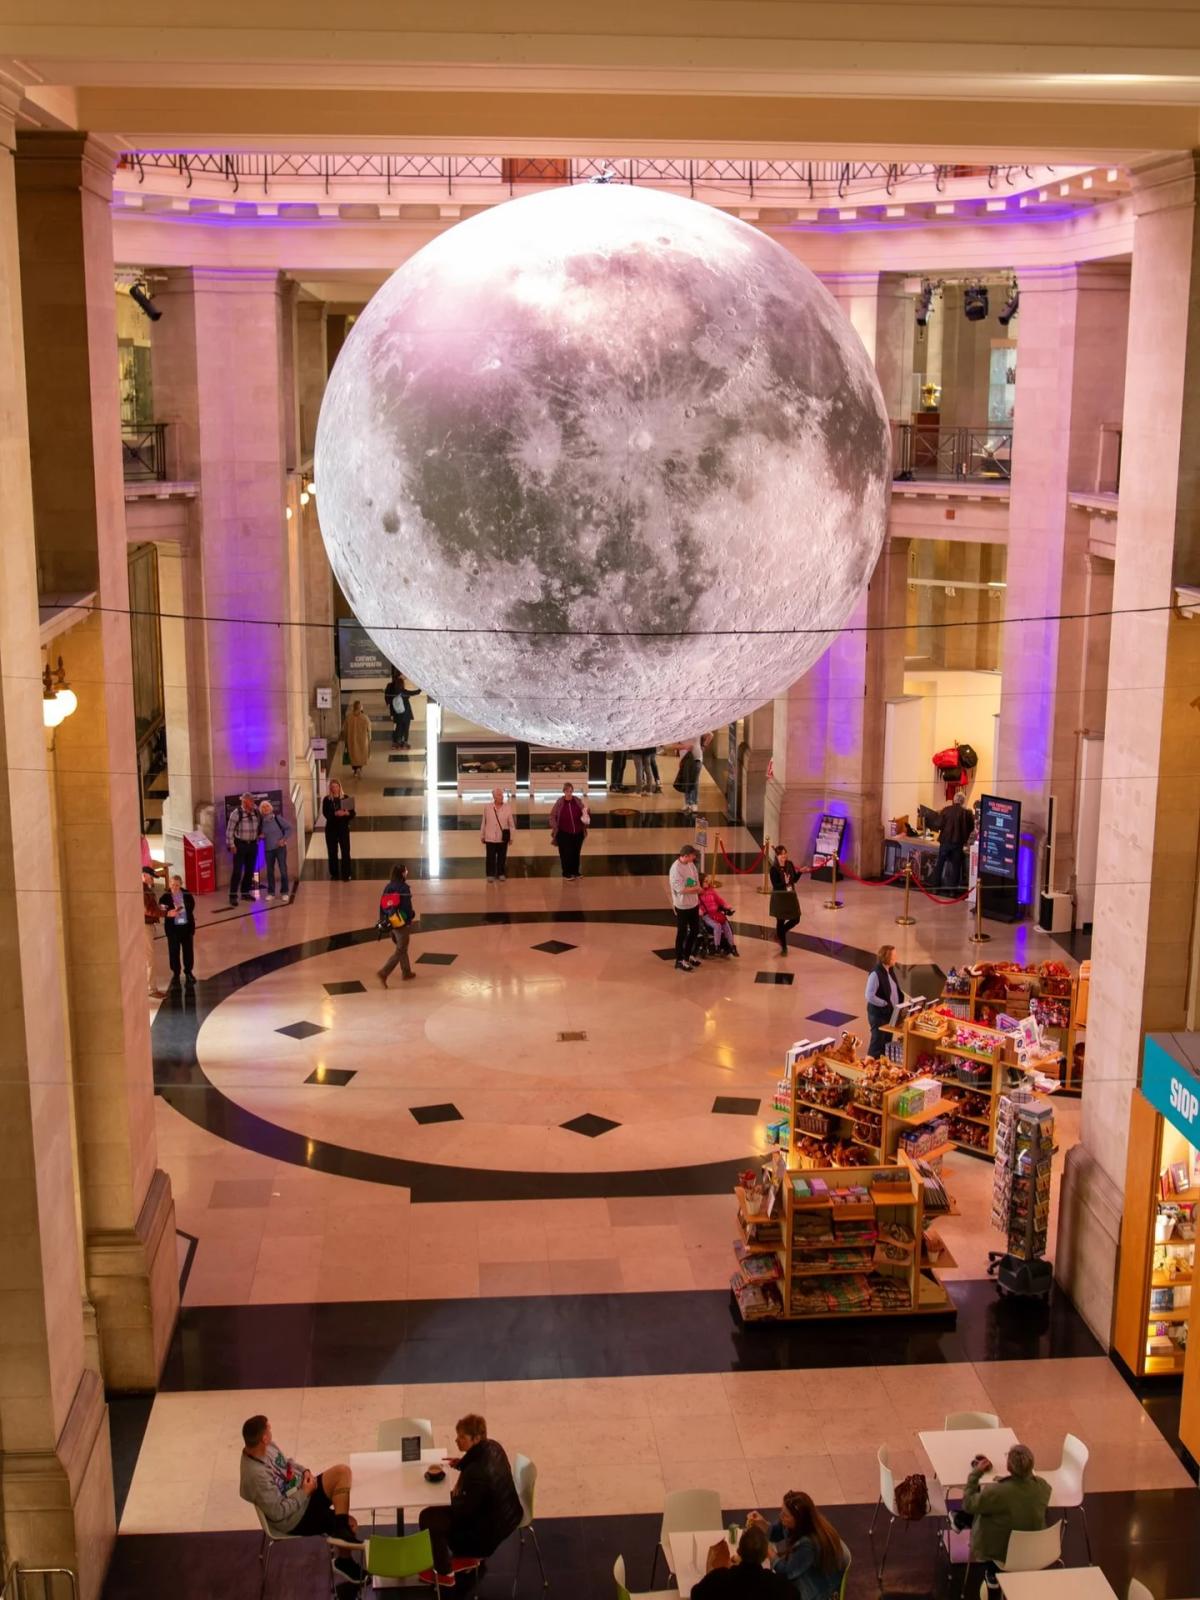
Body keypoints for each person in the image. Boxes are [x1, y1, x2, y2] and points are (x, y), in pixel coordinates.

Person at [238, 1414, 363, 1585]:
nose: (271, 1431)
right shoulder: (255, 1475)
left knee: (342, 1472)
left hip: (303, 1493)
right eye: (269, 1429)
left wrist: (305, 1472)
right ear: (264, 1438)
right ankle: (345, 1560)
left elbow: (287, 1463)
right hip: (294, 1518)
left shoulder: (267, 1447)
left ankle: (341, 1533)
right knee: (350, 1524)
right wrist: (304, 1492)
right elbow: (278, 1513)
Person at [417, 1414, 522, 1591]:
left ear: (476, 1438)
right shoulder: (493, 1446)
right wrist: (460, 1464)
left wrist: (444, 1498)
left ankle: (445, 1573)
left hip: (487, 1535)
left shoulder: (477, 1474)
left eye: (462, 1437)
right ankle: (464, 1558)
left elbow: (464, 1512)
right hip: (509, 1514)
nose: (456, 1441)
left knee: (429, 1517)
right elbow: (475, 1459)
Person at [960, 1443, 1051, 1596]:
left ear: (1009, 1466)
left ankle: (992, 1572)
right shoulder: (1043, 1487)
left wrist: (975, 1474)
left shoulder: (997, 1492)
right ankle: (959, 1519)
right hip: (1034, 1551)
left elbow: (968, 1504)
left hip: (1002, 1553)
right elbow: (1020, 1498)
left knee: (980, 1513)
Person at [747, 1491, 850, 1600]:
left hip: (818, 1585)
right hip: (805, 1569)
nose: (780, 1516)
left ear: (798, 1520)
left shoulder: (808, 1544)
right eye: (782, 1511)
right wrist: (762, 1523)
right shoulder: (795, 1524)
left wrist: (768, 1550)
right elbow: (777, 1533)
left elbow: (786, 1573)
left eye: (785, 1515)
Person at [693, 1524, 794, 1598]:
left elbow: (695, 1594)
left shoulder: (719, 1577)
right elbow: (795, 1595)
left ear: (739, 1551)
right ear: (764, 1557)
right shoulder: (776, 1584)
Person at [376, 863, 416, 987]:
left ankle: (406, 972)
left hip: (391, 924)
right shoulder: (404, 888)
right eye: (406, 872)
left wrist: (382, 920)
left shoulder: (388, 887)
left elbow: (382, 905)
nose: (406, 874)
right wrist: (411, 916)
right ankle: (384, 972)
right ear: (402, 874)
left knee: (402, 948)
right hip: (401, 925)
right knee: (400, 950)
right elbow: (407, 908)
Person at [865, 943, 908, 1057]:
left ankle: (881, 1066)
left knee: (886, 1043)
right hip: (878, 1015)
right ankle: (868, 1065)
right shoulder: (875, 973)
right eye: (894, 956)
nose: (896, 958)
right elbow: (869, 995)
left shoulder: (889, 970)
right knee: (877, 1043)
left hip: (888, 1013)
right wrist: (884, 1003)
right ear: (887, 957)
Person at [158, 874, 196, 986]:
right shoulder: (165, 897)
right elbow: (162, 910)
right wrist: (170, 912)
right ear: (169, 884)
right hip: (173, 930)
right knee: (174, 952)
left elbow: (192, 906)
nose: (174, 887)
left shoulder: (187, 894)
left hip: (186, 928)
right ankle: (176, 973)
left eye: (177, 885)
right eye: (172, 885)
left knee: (188, 952)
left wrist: (182, 909)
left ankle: (188, 972)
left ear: (181, 885)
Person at [669, 844, 702, 971]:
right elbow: (681, 889)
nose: (695, 857)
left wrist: (695, 888)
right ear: (686, 855)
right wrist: (696, 889)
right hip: (682, 906)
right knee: (682, 932)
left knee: (695, 930)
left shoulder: (691, 864)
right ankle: (679, 959)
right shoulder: (675, 869)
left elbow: (694, 879)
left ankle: (688, 956)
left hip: (693, 903)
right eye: (693, 855)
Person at [225, 792, 262, 906]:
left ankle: (245, 893)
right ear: (245, 802)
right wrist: (231, 845)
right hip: (240, 845)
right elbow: (229, 831)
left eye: (253, 801)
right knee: (237, 871)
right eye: (251, 801)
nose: (253, 803)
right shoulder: (236, 814)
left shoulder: (256, 812)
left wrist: (259, 835)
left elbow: (260, 825)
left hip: (252, 845)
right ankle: (233, 896)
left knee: (250, 870)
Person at [935, 790, 974, 890]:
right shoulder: (967, 813)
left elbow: (938, 824)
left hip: (945, 841)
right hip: (958, 843)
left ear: (954, 800)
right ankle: (952, 890)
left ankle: (935, 887)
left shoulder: (946, 810)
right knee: (956, 866)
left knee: (940, 863)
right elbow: (971, 827)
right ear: (963, 801)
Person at [549, 781, 588, 880]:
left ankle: (575, 872)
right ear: (564, 792)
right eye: (567, 791)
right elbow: (552, 816)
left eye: (571, 791)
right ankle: (566, 872)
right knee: (566, 853)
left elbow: (584, 812)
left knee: (576, 852)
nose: (569, 793)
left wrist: (587, 813)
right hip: (564, 833)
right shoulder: (560, 802)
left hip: (578, 833)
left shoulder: (577, 801)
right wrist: (555, 827)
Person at [769, 845, 801, 956]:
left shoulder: (790, 864)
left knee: (796, 919)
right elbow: (776, 886)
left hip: (790, 896)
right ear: (777, 856)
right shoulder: (773, 869)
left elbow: (795, 879)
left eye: (785, 853)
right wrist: (785, 882)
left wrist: (800, 872)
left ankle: (779, 933)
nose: (784, 856)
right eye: (781, 854)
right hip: (780, 898)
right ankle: (784, 947)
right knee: (780, 920)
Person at [480, 786, 515, 882]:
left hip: (502, 837)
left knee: (502, 857)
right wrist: (482, 835)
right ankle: (490, 874)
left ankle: (501, 873)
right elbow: (484, 822)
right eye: (499, 795)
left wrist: (511, 837)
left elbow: (511, 824)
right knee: (490, 857)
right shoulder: (487, 807)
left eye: (502, 795)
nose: (502, 797)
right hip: (490, 837)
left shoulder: (507, 808)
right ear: (494, 797)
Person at [699, 873, 739, 956]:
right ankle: (716, 945)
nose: (707, 883)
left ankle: (732, 946)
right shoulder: (698, 894)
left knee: (726, 924)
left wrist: (726, 906)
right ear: (700, 882)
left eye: (708, 881)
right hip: (707, 915)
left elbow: (719, 900)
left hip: (716, 913)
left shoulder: (711, 891)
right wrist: (699, 911)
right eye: (705, 881)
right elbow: (696, 905)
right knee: (717, 926)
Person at [259, 800, 291, 900]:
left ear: (271, 808)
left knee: (283, 870)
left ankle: (285, 892)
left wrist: (284, 839)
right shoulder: (261, 822)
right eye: (263, 807)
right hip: (268, 850)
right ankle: (271, 893)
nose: (266, 808)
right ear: (261, 810)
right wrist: (261, 836)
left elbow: (289, 828)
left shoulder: (277, 818)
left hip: (280, 848)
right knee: (270, 871)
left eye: (267, 806)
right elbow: (260, 834)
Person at [322, 779, 353, 881]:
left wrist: (346, 813)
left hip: (343, 829)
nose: (335, 788)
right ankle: (334, 873)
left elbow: (352, 813)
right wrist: (335, 814)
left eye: (336, 786)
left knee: (345, 851)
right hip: (331, 830)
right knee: (332, 852)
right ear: (330, 788)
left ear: (340, 787)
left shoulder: (346, 798)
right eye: (333, 787)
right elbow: (326, 814)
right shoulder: (327, 800)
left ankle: (346, 874)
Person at [143, 867, 166, 998]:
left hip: (148, 924)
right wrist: (166, 913)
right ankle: (151, 989)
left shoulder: (146, 889)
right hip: (145, 926)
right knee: (149, 958)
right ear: (144, 876)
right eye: (151, 877)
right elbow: (147, 910)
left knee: (147, 957)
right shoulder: (142, 890)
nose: (152, 880)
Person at [385, 670, 421, 750]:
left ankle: (396, 742)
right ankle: (404, 743)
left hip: (396, 712)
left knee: (398, 727)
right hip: (405, 713)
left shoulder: (390, 686)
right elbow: (414, 693)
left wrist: (390, 706)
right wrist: (420, 689)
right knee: (406, 728)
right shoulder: (402, 691)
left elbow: (387, 698)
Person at [341, 698, 373, 778]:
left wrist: (345, 739)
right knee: (361, 755)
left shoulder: (349, 718)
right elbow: (369, 730)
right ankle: (359, 768)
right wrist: (369, 739)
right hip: (363, 741)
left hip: (351, 740)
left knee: (353, 755)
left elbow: (345, 730)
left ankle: (355, 770)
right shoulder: (365, 718)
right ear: (360, 707)